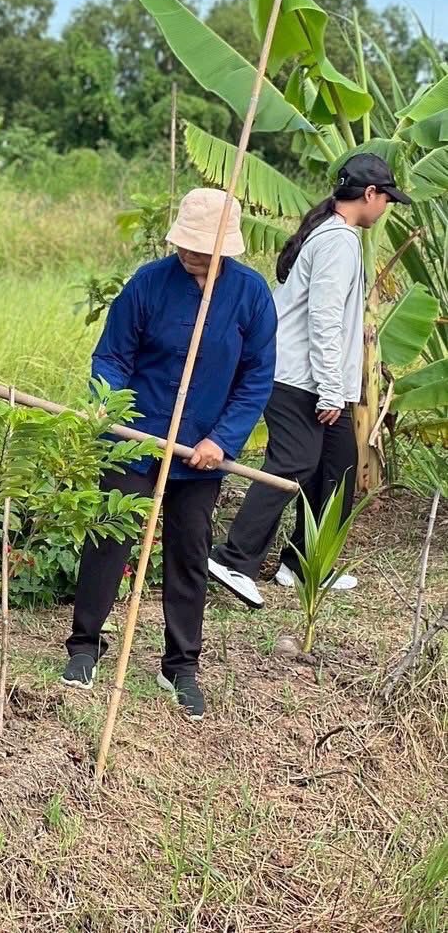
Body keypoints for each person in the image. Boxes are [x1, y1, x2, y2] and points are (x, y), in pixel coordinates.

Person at [61, 188, 276, 721]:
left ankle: (180, 665)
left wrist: (220, 440)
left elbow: (255, 380)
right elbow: (111, 356)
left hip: (200, 451)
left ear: (226, 250)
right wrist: (111, 409)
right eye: (185, 246)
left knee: (189, 550)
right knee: (109, 537)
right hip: (134, 440)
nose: (190, 256)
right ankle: (85, 647)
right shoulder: (148, 284)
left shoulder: (251, 296)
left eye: (201, 250)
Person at [208, 153, 409, 608]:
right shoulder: (338, 241)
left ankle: (301, 563)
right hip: (296, 375)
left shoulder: (338, 236)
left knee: (336, 466)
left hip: (311, 376)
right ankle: (232, 558)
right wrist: (332, 390)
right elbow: (324, 319)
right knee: (294, 462)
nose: (387, 208)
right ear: (370, 195)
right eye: (387, 199)